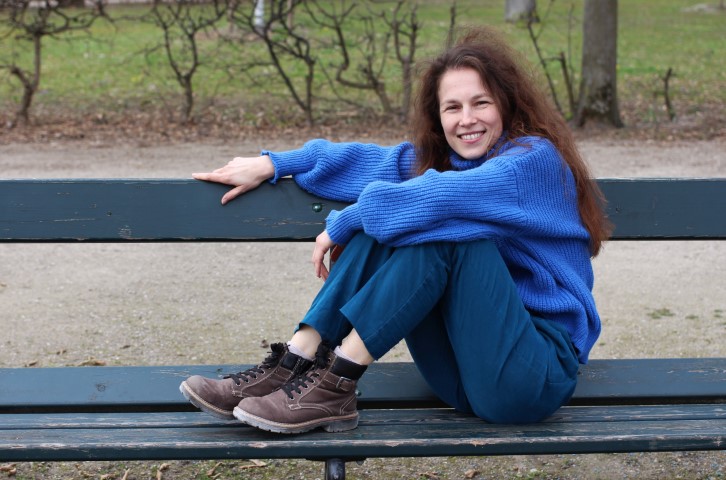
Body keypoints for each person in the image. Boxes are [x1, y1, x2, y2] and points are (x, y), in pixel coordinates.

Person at [179, 26, 611, 434]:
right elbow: (368, 163)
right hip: (461, 373)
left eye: (481, 103)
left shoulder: (533, 160)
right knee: (396, 223)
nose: (467, 119)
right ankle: (294, 360)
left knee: (446, 236)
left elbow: (443, 196)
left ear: (508, 103)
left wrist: (347, 220)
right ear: (437, 116)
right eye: (452, 107)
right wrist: (275, 163)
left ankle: (337, 381)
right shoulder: (445, 162)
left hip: (533, 375)